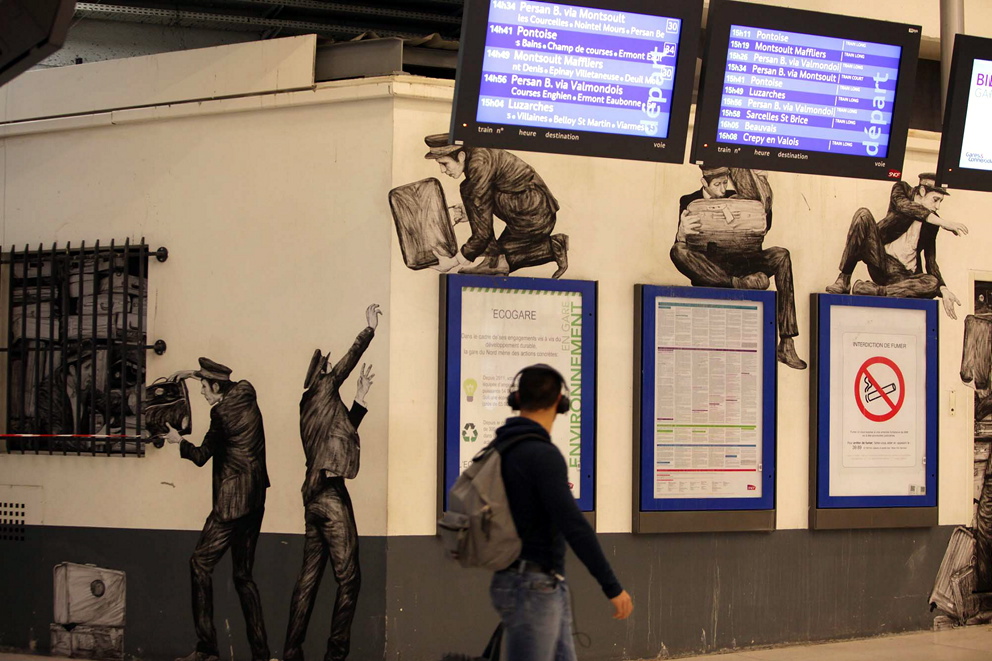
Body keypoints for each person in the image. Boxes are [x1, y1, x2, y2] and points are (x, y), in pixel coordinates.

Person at [490, 364, 633, 660]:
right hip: (533, 586)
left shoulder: (502, 446)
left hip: (529, 580)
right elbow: (574, 526)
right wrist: (612, 587)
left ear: (517, 399)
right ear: (560, 402)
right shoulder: (541, 455)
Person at [284, 303, 381, 661]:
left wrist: (359, 400)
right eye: (327, 367)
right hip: (332, 496)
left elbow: (339, 435)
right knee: (349, 579)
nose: (330, 370)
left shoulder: (308, 405)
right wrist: (368, 330)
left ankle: (292, 651)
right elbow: (349, 360)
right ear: (322, 372)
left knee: (308, 580)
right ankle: (335, 655)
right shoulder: (326, 385)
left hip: (313, 498)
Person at [165, 358, 271, 661]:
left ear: (215, 387)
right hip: (255, 500)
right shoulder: (247, 391)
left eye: (203, 387)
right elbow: (227, 382)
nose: (201, 392)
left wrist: (178, 441)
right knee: (243, 576)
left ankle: (207, 649)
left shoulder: (220, 414)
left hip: (230, 505)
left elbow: (200, 456)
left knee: (199, 564)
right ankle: (260, 654)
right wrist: (193, 373)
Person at [670, 165, 806, 370]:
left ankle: (786, 343)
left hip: (743, 262)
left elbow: (763, 225)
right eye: (717, 184)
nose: (722, 189)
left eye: (725, 183)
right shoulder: (689, 201)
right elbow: (684, 242)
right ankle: (736, 284)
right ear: (704, 183)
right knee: (677, 251)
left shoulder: (739, 198)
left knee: (781, 255)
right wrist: (681, 233)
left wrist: (763, 187)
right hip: (713, 268)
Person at [423, 133, 569, 279]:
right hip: (530, 209)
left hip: (533, 216)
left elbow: (483, 232)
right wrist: (471, 210)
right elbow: (490, 191)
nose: (442, 170)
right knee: (500, 260)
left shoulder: (479, 164)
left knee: (501, 262)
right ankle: (553, 247)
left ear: (461, 156)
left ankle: (551, 247)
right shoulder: (477, 155)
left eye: (444, 163)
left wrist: (454, 261)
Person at [825, 173, 968, 319]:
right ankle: (844, 280)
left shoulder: (933, 223)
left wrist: (944, 289)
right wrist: (943, 222)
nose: (937, 206)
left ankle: (876, 291)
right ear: (923, 191)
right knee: (863, 215)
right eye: (935, 200)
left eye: (940, 202)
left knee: (932, 282)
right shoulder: (902, 190)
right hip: (881, 260)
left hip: (903, 276)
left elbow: (930, 260)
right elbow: (905, 206)